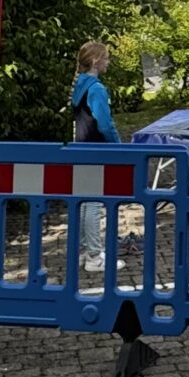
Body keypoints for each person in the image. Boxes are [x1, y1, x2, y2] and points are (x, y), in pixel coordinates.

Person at [69, 42, 118, 273]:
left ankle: (83, 251)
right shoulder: (96, 88)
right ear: (96, 61)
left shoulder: (79, 85)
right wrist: (119, 147)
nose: (108, 62)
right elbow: (105, 124)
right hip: (97, 150)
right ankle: (94, 256)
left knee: (83, 203)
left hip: (81, 148)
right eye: (106, 58)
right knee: (93, 205)